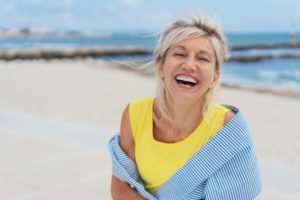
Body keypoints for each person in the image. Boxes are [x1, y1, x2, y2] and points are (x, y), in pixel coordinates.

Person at [108, 12, 262, 200]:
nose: (189, 65)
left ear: (215, 76)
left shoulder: (228, 127)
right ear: (161, 65)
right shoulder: (135, 114)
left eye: (203, 58)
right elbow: (120, 189)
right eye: (180, 54)